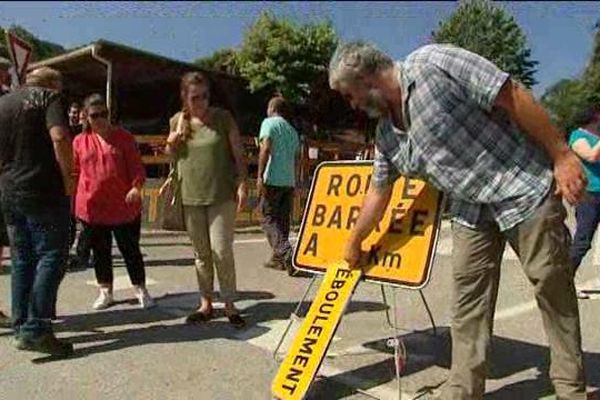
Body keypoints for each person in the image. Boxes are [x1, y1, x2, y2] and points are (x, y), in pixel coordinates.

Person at [329, 41, 587, 399]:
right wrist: (354, 242)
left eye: (349, 94)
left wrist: (561, 155)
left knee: (552, 289)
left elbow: (511, 94)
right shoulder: (387, 134)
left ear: (365, 75)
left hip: (523, 189)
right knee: (467, 308)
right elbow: (378, 191)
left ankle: (570, 388)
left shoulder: (434, 63)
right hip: (470, 211)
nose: (352, 103)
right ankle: (464, 391)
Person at [0, 67, 74, 356]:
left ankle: (21, 325)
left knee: (22, 257)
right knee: (52, 255)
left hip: (8, 190)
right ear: (53, 84)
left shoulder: (4, 102)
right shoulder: (49, 98)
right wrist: (68, 177)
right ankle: (36, 329)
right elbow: (59, 137)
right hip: (44, 190)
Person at [165, 71, 248, 328]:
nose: (200, 102)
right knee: (201, 253)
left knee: (221, 250)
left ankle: (230, 304)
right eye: (195, 97)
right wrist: (172, 141)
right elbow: (171, 154)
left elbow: (238, 151)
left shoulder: (222, 118)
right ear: (185, 97)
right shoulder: (177, 121)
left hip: (221, 193)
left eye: (204, 96)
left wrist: (243, 181)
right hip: (191, 194)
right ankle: (205, 303)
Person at [73, 93, 154, 310]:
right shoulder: (79, 141)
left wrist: (136, 188)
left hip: (123, 205)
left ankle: (140, 289)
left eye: (103, 114)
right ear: (86, 117)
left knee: (130, 249)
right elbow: (74, 172)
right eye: (94, 115)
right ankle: (105, 291)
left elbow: (137, 168)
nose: (100, 119)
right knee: (100, 251)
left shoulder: (124, 137)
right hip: (93, 206)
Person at [257, 96, 300, 274]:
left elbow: (266, 148)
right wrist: (295, 180)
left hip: (272, 177)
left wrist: (259, 175)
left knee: (266, 217)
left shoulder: (269, 123)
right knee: (282, 221)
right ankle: (278, 259)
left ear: (272, 108)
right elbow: (296, 158)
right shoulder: (292, 130)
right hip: (288, 180)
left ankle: (285, 252)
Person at [568, 106, 600, 299]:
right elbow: (591, 156)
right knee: (583, 240)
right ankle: (565, 283)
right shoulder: (578, 137)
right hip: (590, 195)